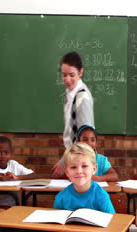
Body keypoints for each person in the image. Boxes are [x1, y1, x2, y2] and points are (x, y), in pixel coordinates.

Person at [50, 142, 115, 232]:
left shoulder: (101, 197)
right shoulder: (61, 197)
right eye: (73, 167)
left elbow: (111, 231)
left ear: (94, 169)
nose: (79, 171)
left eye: (84, 166)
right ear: (67, 172)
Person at [52, 51, 94, 179]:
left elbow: (85, 138)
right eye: (64, 75)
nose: (67, 79)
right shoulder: (70, 94)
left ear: (81, 72)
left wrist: (64, 161)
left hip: (79, 160)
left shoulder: (82, 97)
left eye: (72, 75)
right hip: (72, 156)